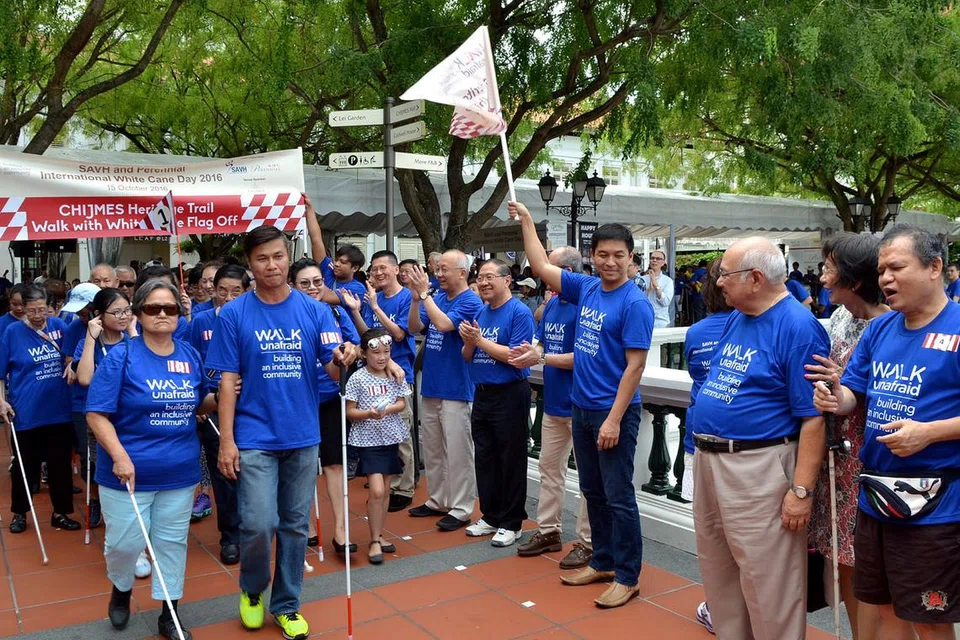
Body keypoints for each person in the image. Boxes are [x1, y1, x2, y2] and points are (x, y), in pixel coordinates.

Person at [206, 225, 353, 640]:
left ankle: (287, 604)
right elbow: (227, 381)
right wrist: (227, 441)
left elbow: (332, 366)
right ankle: (253, 590)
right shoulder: (235, 314)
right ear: (250, 265)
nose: (271, 265)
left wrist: (347, 354)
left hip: (302, 435)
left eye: (277, 256)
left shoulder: (315, 310)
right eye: (261, 259)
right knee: (257, 523)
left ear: (288, 257)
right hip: (253, 436)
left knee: (293, 524)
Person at [814, 226, 960, 638]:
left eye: (897, 267)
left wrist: (929, 433)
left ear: (935, 268)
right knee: (884, 608)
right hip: (875, 495)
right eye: (881, 270)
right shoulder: (879, 329)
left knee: (930, 620)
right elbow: (852, 396)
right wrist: (833, 396)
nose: (885, 279)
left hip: (936, 504)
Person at [511, 200, 654, 609]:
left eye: (619, 256)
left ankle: (628, 576)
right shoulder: (587, 287)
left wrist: (613, 419)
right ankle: (604, 561)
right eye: (604, 254)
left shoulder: (635, 303)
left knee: (619, 496)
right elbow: (539, 264)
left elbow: (635, 367)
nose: (611, 262)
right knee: (592, 490)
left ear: (631, 259)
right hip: (580, 408)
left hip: (613, 414)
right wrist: (526, 222)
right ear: (592, 257)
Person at [690, 237, 830, 639]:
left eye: (725, 275)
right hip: (711, 461)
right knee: (720, 575)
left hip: (759, 468)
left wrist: (801, 492)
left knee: (770, 585)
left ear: (754, 278)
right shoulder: (739, 316)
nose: (718, 283)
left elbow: (814, 419)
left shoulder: (798, 328)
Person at [86, 280, 215, 639]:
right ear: (138, 314)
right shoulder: (122, 357)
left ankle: (169, 613)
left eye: (170, 308)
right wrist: (120, 456)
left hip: (180, 471)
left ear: (179, 314)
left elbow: (200, 403)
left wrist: (223, 397)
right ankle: (121, 588)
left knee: (172, 543)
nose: (162, 315)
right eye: (153, 308)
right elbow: (96, 414)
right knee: (123, 544)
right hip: (127, 473)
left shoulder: (189, 355)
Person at [800, 234, 913, 640]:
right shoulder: (842, 319)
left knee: (873, 571)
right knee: (843, 562)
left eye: (830, 267)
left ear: (853, 278)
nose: (823, 276)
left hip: (871, 462)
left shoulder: (889, 326)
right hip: (837, 463)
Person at [511, 246, 593, 570]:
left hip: (581, 403)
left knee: (587, 478)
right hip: (553, 402)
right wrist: (531, 350)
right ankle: (548, 530)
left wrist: (541, 358)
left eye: (549, 269)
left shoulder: (585, 305)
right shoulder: (553, 304)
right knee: (549, 470)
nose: (542, 274)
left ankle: (587, 542)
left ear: (567, 273)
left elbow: (584, 357)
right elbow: (543, 342)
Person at [458, 259, 535, 548]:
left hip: (510, 393)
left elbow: (516, 356)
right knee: (486, 457)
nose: (484, 282)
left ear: (507, 280)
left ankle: (512, 522)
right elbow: (467, 355)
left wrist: (479, 341)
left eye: (490, 277)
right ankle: (490, 515)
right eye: (480, 277)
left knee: (511, 458)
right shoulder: (481, 311)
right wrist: (469, 341)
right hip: (482, 393)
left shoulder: (519, 312)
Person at [406, 251, 483, 531]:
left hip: (458, 388)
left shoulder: (470, 301)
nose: (438, 274)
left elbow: (444, 324)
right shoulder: (436, 297)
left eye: (444, 270)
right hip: (433, 384)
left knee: (459, 451)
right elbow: (415, 327)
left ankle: (462, 507)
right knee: (434, 448)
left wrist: (424, 294)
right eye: (437, 269)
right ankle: (437, 499)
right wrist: (416, 300)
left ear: (462, 273)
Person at [290, 256, 360, 555]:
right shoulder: (286, 314)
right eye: (304, 283)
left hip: (331, 395)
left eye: (317, 282)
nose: (312, 288)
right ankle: (303, 524)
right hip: (297, 400)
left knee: (334, 463)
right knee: (301, 466)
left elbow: (355, 343)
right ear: (292, 286)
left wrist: (349, 351)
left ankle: (341, 531)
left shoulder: (334, 310)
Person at [340, 250, 417, 513]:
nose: (378, 272)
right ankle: (385, 482)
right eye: (374, 268)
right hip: (371, 374)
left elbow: (396, 334)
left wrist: (373, 306)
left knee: (401, 431)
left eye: (383, 267)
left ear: (396, 270)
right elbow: (368, 336)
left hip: (398, 372)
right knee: (379, 427)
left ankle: (404, 487)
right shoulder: (377, 297)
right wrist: (357, 311)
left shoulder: (406, 297)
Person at [679, 258, 733, 634]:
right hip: (725, 446)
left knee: (711, 536)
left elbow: (695, 375)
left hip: (699, 439)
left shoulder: (697, 332)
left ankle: (720, 606)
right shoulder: (751, 327)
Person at [0, 284, 80, 534]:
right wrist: (1, 400)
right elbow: (1, 372)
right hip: (26, 410)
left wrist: (73, 364)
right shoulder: (12, 332)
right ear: (22, 308)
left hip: (59, 408)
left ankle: (61, 513)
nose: (37, 316)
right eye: (31, 310)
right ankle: (20, 513)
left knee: (60, 464)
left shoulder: (60, 327)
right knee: (25, 465)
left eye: (42, 310)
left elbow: (73, 354)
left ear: (51, 307)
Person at [188, 264, 250, 565]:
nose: (227, 297)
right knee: (224, 474)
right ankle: (231, 537)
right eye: (221, 290)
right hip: (212, 408)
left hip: (251, 409)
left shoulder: (255, 319)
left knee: (252, 472)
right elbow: (190, 364)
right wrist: (200, 402)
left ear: (246, 291)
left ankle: (255, 529)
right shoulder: (200, 322)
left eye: (235, 291)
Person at [344, 328, 412, 564]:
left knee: (384, 492)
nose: (382, 357)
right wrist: (369, 414)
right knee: (377, 491)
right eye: (376, 353)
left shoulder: (395, 375)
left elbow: (402, 403)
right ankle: (373, 540)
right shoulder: (358, 378)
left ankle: (378, 534)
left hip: (390, 437)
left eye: (386, 352)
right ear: (363, 354)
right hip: (367, 439)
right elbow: (349, 411)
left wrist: (388, 409)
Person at [641, 250, 675, 328]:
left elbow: (666, 302)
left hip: (661, 322)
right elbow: (637, 300)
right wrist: (649, 289)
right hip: (643, 321)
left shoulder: (668, 281)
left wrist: (656, 286)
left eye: (658, 258)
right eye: (652, 258)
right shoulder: (641, 279)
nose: (654, 260)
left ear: (663, 263)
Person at [689, 260, 708, 324]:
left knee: (698, 314)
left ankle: (700, 329)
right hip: (708, 296)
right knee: (706, 314)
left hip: (698, 296)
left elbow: (692, 282)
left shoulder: (697, 272)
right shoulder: (710, 272)